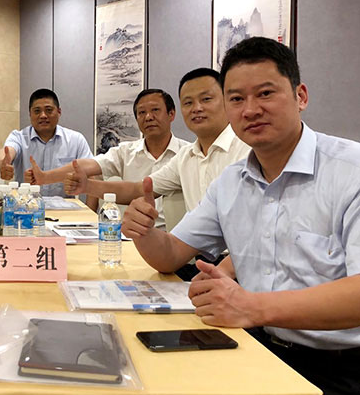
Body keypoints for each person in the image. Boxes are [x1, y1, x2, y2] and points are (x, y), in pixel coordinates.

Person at [124, 37, 360, 395]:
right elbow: (170, 254)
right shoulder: (232, 181)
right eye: (236, 99)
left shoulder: (350, 171)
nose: (250, 110)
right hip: (254, 346)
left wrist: (251, 307)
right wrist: (144, 232)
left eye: (265, 93)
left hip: (340, 367)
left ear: (300, 96)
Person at [64, 69, 250, 211]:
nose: (197, 108)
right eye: (188, 103)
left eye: (206, 99)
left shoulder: (248, 151)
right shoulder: (187, 156)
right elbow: (139, 189)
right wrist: (87, 186)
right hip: (192, 249)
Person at [26, 88, 189, 227]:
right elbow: (90, 165)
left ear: (171, 114)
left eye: (155, 110)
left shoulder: (187, 154)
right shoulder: (126, 152)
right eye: (142, 112)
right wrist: (45, 178)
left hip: (174, 239)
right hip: (131, 235)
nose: (148, 117)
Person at [0, 88, 93, 197]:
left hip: (65, 206)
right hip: (26, 205)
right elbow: (7, 151)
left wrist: (91, 207)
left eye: (49, 110)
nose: (43, 115)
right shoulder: (19, 137)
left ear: (59, 112)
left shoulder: (76, 140)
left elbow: (92, 173)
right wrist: (3, 163)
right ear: (30, 114)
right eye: (37, 111)